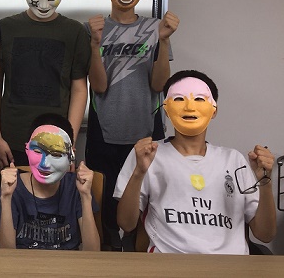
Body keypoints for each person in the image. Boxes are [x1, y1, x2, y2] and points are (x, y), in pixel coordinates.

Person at [115, 70, 276, 254]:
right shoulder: (147, 155)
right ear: (166, 109)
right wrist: (139, 173)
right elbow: (126, 224)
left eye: (199, 99)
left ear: (214, 110)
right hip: (170, 264)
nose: (189, 107)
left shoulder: (234, 160)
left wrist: (265, 183)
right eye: (179, 99)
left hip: (231, 265)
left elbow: (265, 234)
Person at [85, 0, 179, 249]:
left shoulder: (155, 28)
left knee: (146, 203)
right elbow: (98, 86)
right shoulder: (94, 29)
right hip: (104, 131)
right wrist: (95, 44)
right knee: (107, 209)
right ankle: (109, 256)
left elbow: (160, 84)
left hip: (146, 130)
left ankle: (141, 255)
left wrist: (164, 40)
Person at [0, 0, 90, 171]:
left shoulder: (75, 32)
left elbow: (80, 88)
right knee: (10, 193)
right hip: (12, 138)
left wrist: (69, 141)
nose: (44, 5)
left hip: (57, 140)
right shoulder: (5, 28)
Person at [0, 113, 99, 250]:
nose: (45, 164)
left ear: (71, 155)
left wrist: (85, 196)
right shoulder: (13, 187)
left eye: (56, 154)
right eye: (37, 151)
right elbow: (6, 253)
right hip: (23, 262)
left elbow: (93, 252)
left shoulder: (76, 187)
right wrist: (6, 198)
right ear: (27, 149)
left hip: (68, 262)